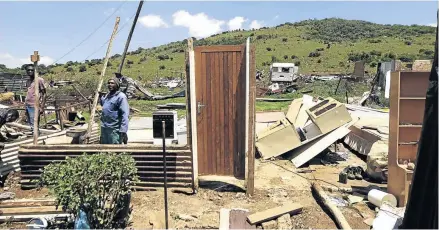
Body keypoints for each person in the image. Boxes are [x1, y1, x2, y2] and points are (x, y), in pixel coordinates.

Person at [100, 78, 129, 144]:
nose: (110, 84)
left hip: (114, 129)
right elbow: (104, 105)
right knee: (104, 150)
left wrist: (123, 130)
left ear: (117, 85)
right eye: (109, 83)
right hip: (104, 127)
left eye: (112, 83)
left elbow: (125, 114)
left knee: (114, 151)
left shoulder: (121, 97)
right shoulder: (107, 95)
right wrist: (100, 97)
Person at [24, 64, 46, 134]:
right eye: (28, 70)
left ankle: (36, 139)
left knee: (34, 123)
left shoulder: (39, 80)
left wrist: (42, 106)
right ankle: (35, 137)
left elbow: (44, 94)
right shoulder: (28, 81)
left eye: (32, 70)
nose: (30, 71)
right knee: (31, 123)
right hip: (28, 105)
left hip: (35, 105)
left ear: (35, 71)